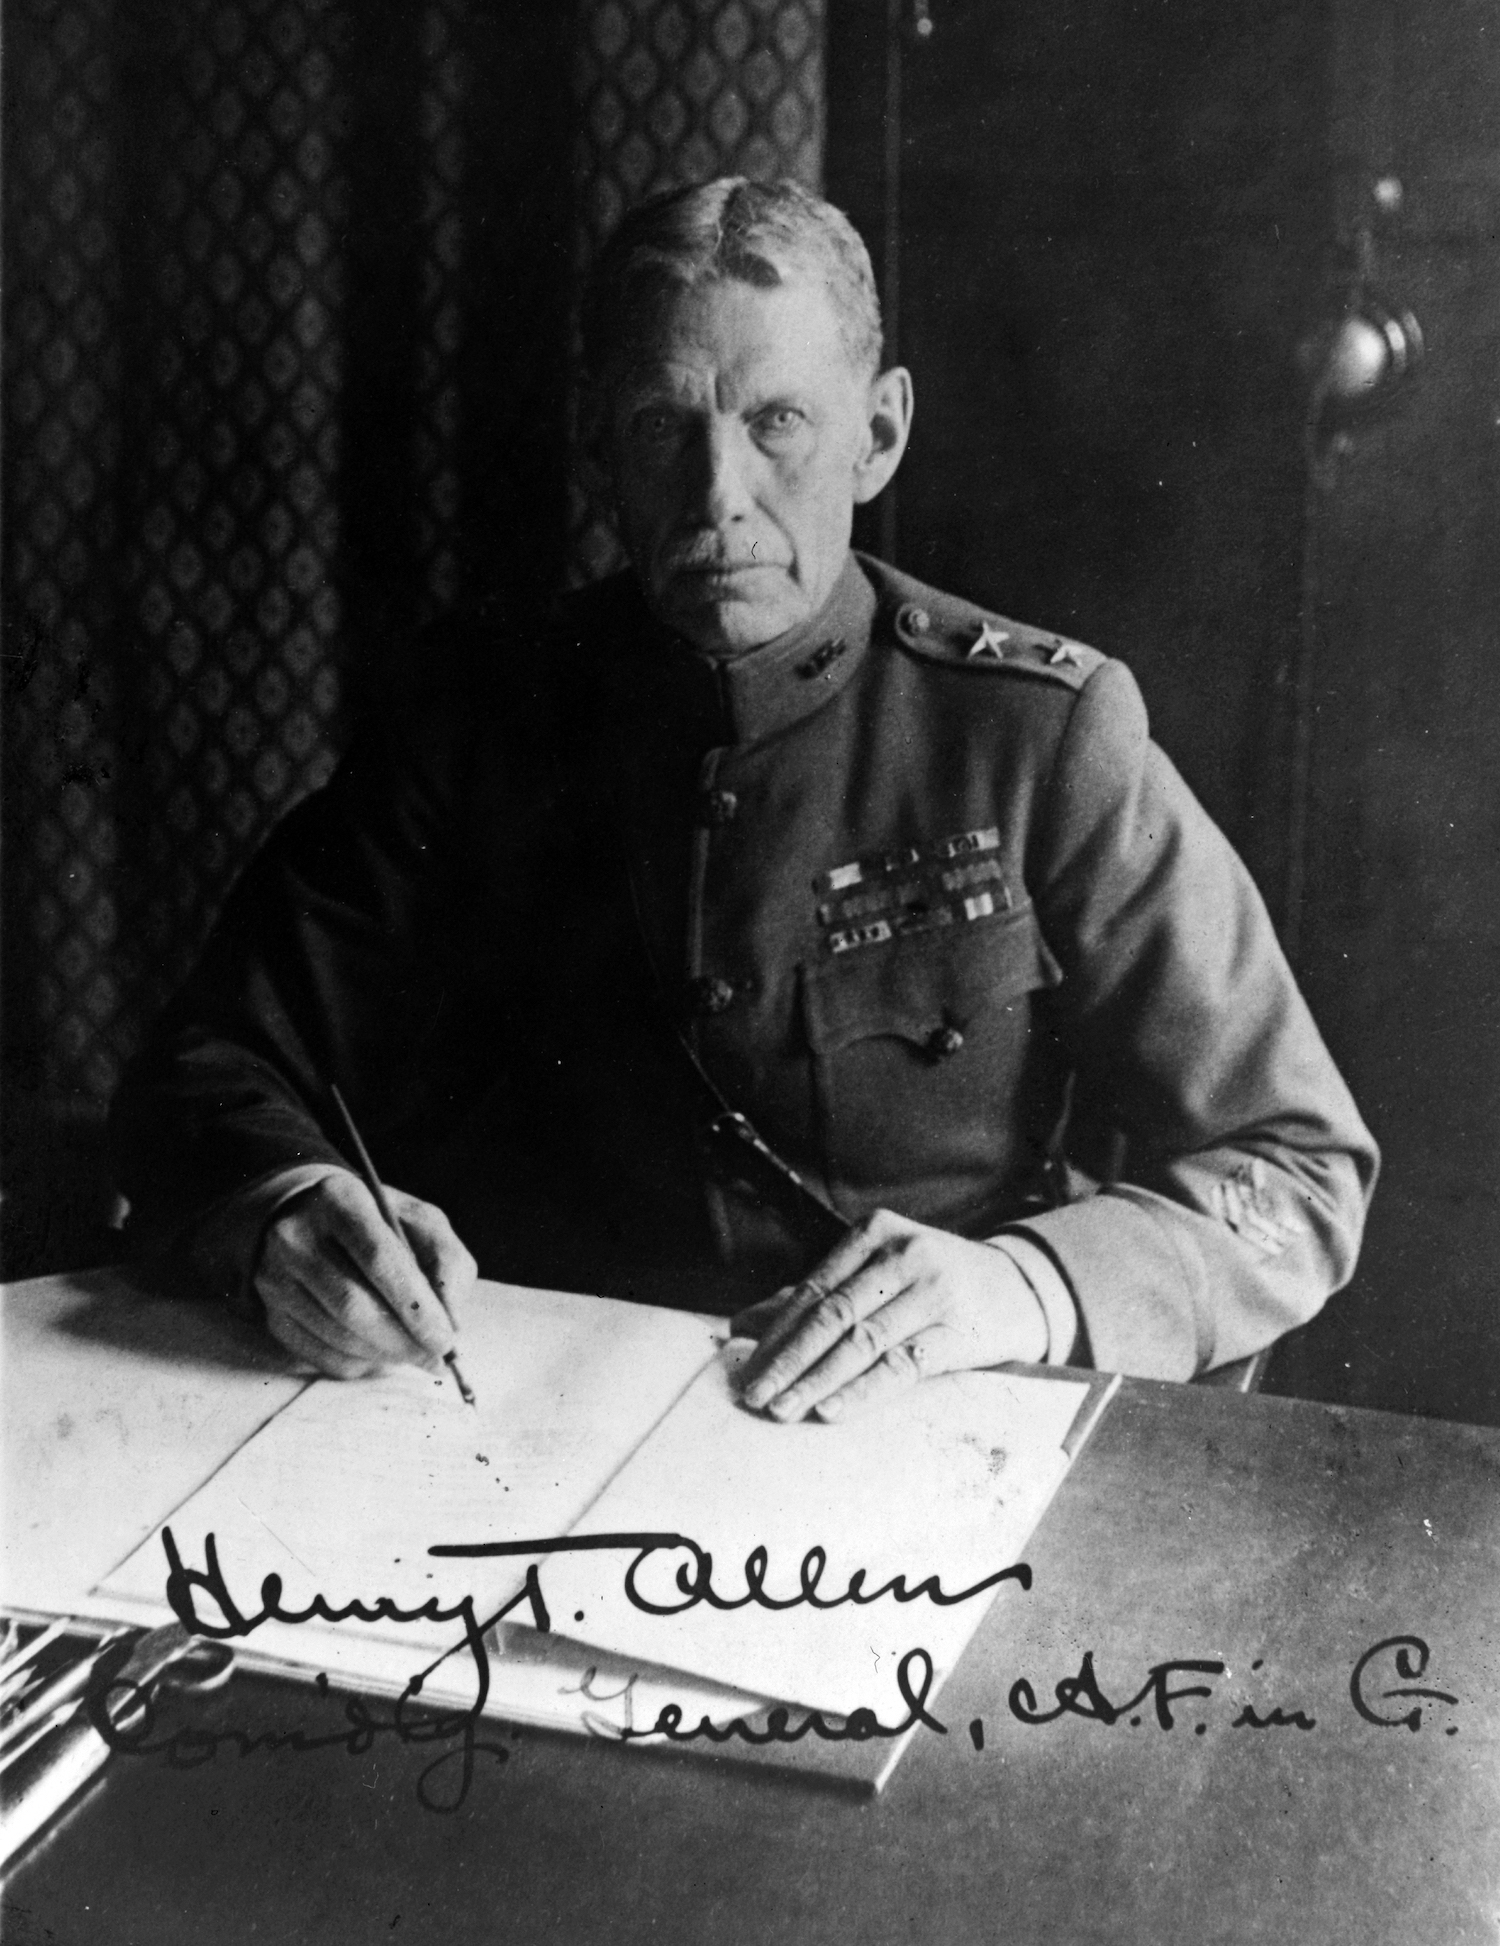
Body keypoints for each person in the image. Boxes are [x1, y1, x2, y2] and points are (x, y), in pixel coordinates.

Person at [109, 177, 1378, 1420]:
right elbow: (204, 1068)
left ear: (878, 435)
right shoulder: (474, 723)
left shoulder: (1037, 735)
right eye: (664, 427)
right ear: (601, 447)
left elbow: (1296, 1164)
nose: (717, 492)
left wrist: (1020, 1288)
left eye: (778, 422)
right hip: (514, 1427)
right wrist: (285, 1209)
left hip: (922, 1430)